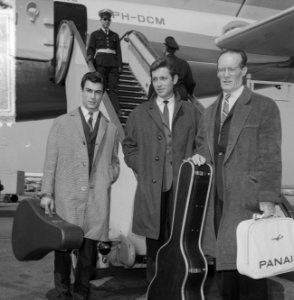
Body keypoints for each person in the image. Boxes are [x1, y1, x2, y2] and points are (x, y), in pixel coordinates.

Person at [192, 49, 282, 300]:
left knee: (252, 270)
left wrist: (268, 198)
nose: (226, 74)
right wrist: (200, 157)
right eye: (221, 69)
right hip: (217, 203)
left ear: (244, 71)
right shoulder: (209, 112)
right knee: (226, 270)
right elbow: (203, 147)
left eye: (231, 69)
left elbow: (271, 156)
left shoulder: (264, 107)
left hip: (248, 200)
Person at [40, 71, 120, 300]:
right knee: (63, 249)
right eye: (89, 91)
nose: (93, 97)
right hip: (67, 196)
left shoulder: (111, 129)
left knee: (88, 253)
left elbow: (114, 161)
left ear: (102, 94)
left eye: (98, 92)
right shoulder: (62, 123)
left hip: (96, 200)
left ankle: (81, 293)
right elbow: (50, 160)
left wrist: (109, 175)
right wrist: (47, 192)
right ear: (82, 91)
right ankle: (62, 292)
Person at [122, 57, 202, 284]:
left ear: (175, 79)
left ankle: (178, 291)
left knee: (180, 245)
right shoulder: (138, 114)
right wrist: (142, 167)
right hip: (152, 191)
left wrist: (197, 157)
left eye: (163, 78)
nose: (159, 83)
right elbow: (129, 146)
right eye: (155, 79)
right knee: (154, 248)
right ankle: (155, 291)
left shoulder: (192, 112)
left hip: (182, 190)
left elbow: (202, 143)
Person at [87, 9, 122, 115]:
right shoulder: (95, 34)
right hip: (100, 63)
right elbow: (91, 48)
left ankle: (116, 110)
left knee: (113, 88)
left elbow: (118, 52)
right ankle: (100, 108)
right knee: (101, 86)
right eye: (105, 19)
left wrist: (119, 65)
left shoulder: (115, 35)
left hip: (113, 64)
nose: (107, 22)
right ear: (101, 20)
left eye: (108, 20)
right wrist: (89, 56)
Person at [148, 36, 196, 100]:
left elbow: (153, 84)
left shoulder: (158, 63)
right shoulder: (184, 63)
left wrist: (149, 99)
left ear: (165, 48)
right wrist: (189, 93)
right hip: (181, 97)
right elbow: (191, 83)